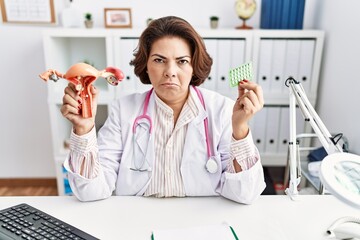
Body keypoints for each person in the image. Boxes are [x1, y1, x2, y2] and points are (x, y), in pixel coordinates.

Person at [61, 16, 266, 204]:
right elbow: (90, 192)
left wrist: (240, 128)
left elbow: (245, 194)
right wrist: (84, 131)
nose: (170, 72)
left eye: (182, 61)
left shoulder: (221, 110)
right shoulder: (123, 110)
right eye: (159, 60)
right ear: (146, 65)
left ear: (194, 66)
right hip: (136, 221)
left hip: (201, 222)